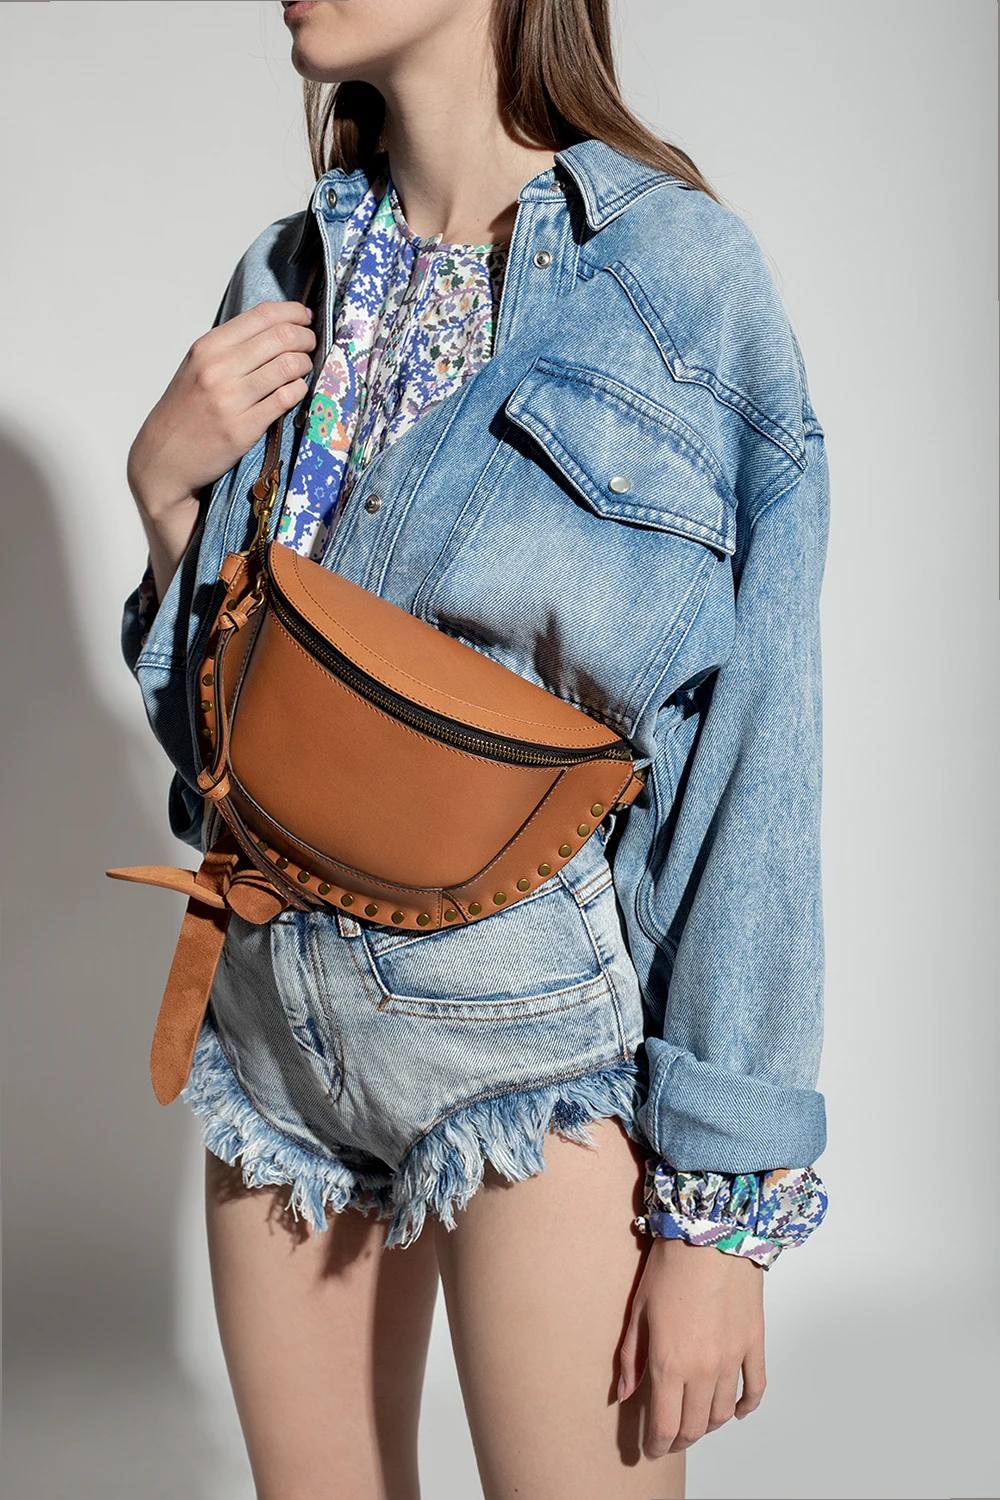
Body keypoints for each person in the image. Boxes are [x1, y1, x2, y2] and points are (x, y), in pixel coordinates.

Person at [120, 1, 830, 1496]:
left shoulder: (678, 281)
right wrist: (167, 503)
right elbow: (225, 749)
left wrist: (717, 1219)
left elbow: (751, 755)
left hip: (527, 1052)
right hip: (271, 1038)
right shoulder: (286, 273)